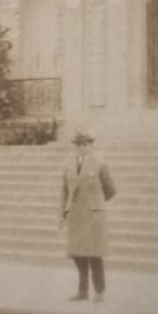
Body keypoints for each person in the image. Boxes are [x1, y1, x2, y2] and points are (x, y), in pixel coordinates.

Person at [59, 129, 116, 302]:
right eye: (79, 145)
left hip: (92, 216)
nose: (82, 147)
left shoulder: (100, 165)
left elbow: (110, 190)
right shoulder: (69, 166)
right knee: (78, 255)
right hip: (75, 216)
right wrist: (62, 215)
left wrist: (95, 203)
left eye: (85, 144)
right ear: (75, 147)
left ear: (91, 146)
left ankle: (99, 291)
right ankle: (82, 291)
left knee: (94, 255)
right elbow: (64, 192)